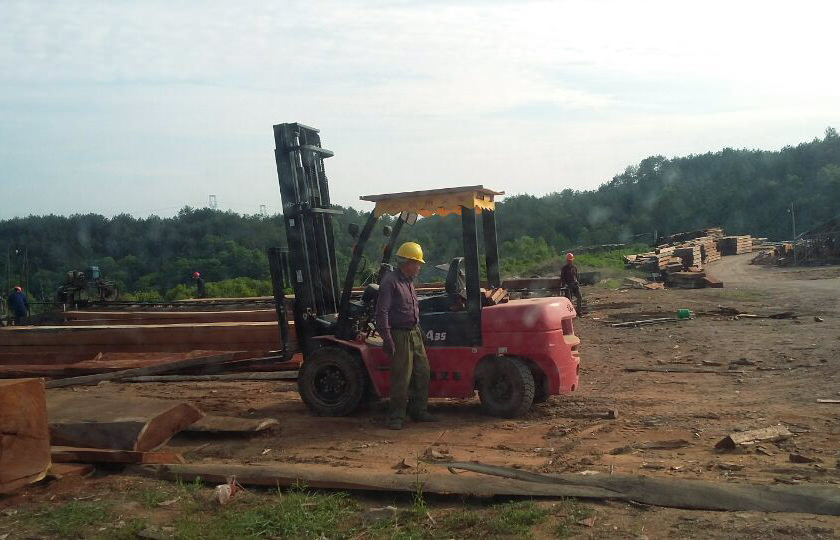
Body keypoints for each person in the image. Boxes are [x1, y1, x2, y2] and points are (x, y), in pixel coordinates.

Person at [375, 242, 437, 430]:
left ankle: (418, 410)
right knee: (402, 377)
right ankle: (396, 417)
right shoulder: (390, 282)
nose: (419, 267)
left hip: (414, 332)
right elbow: (382, 313)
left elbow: (412, 309)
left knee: (422, 373)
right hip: (399, 335)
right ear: (407, 263)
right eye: (417, 263)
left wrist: (420, 331)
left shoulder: (408, 281)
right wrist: (387, 338)